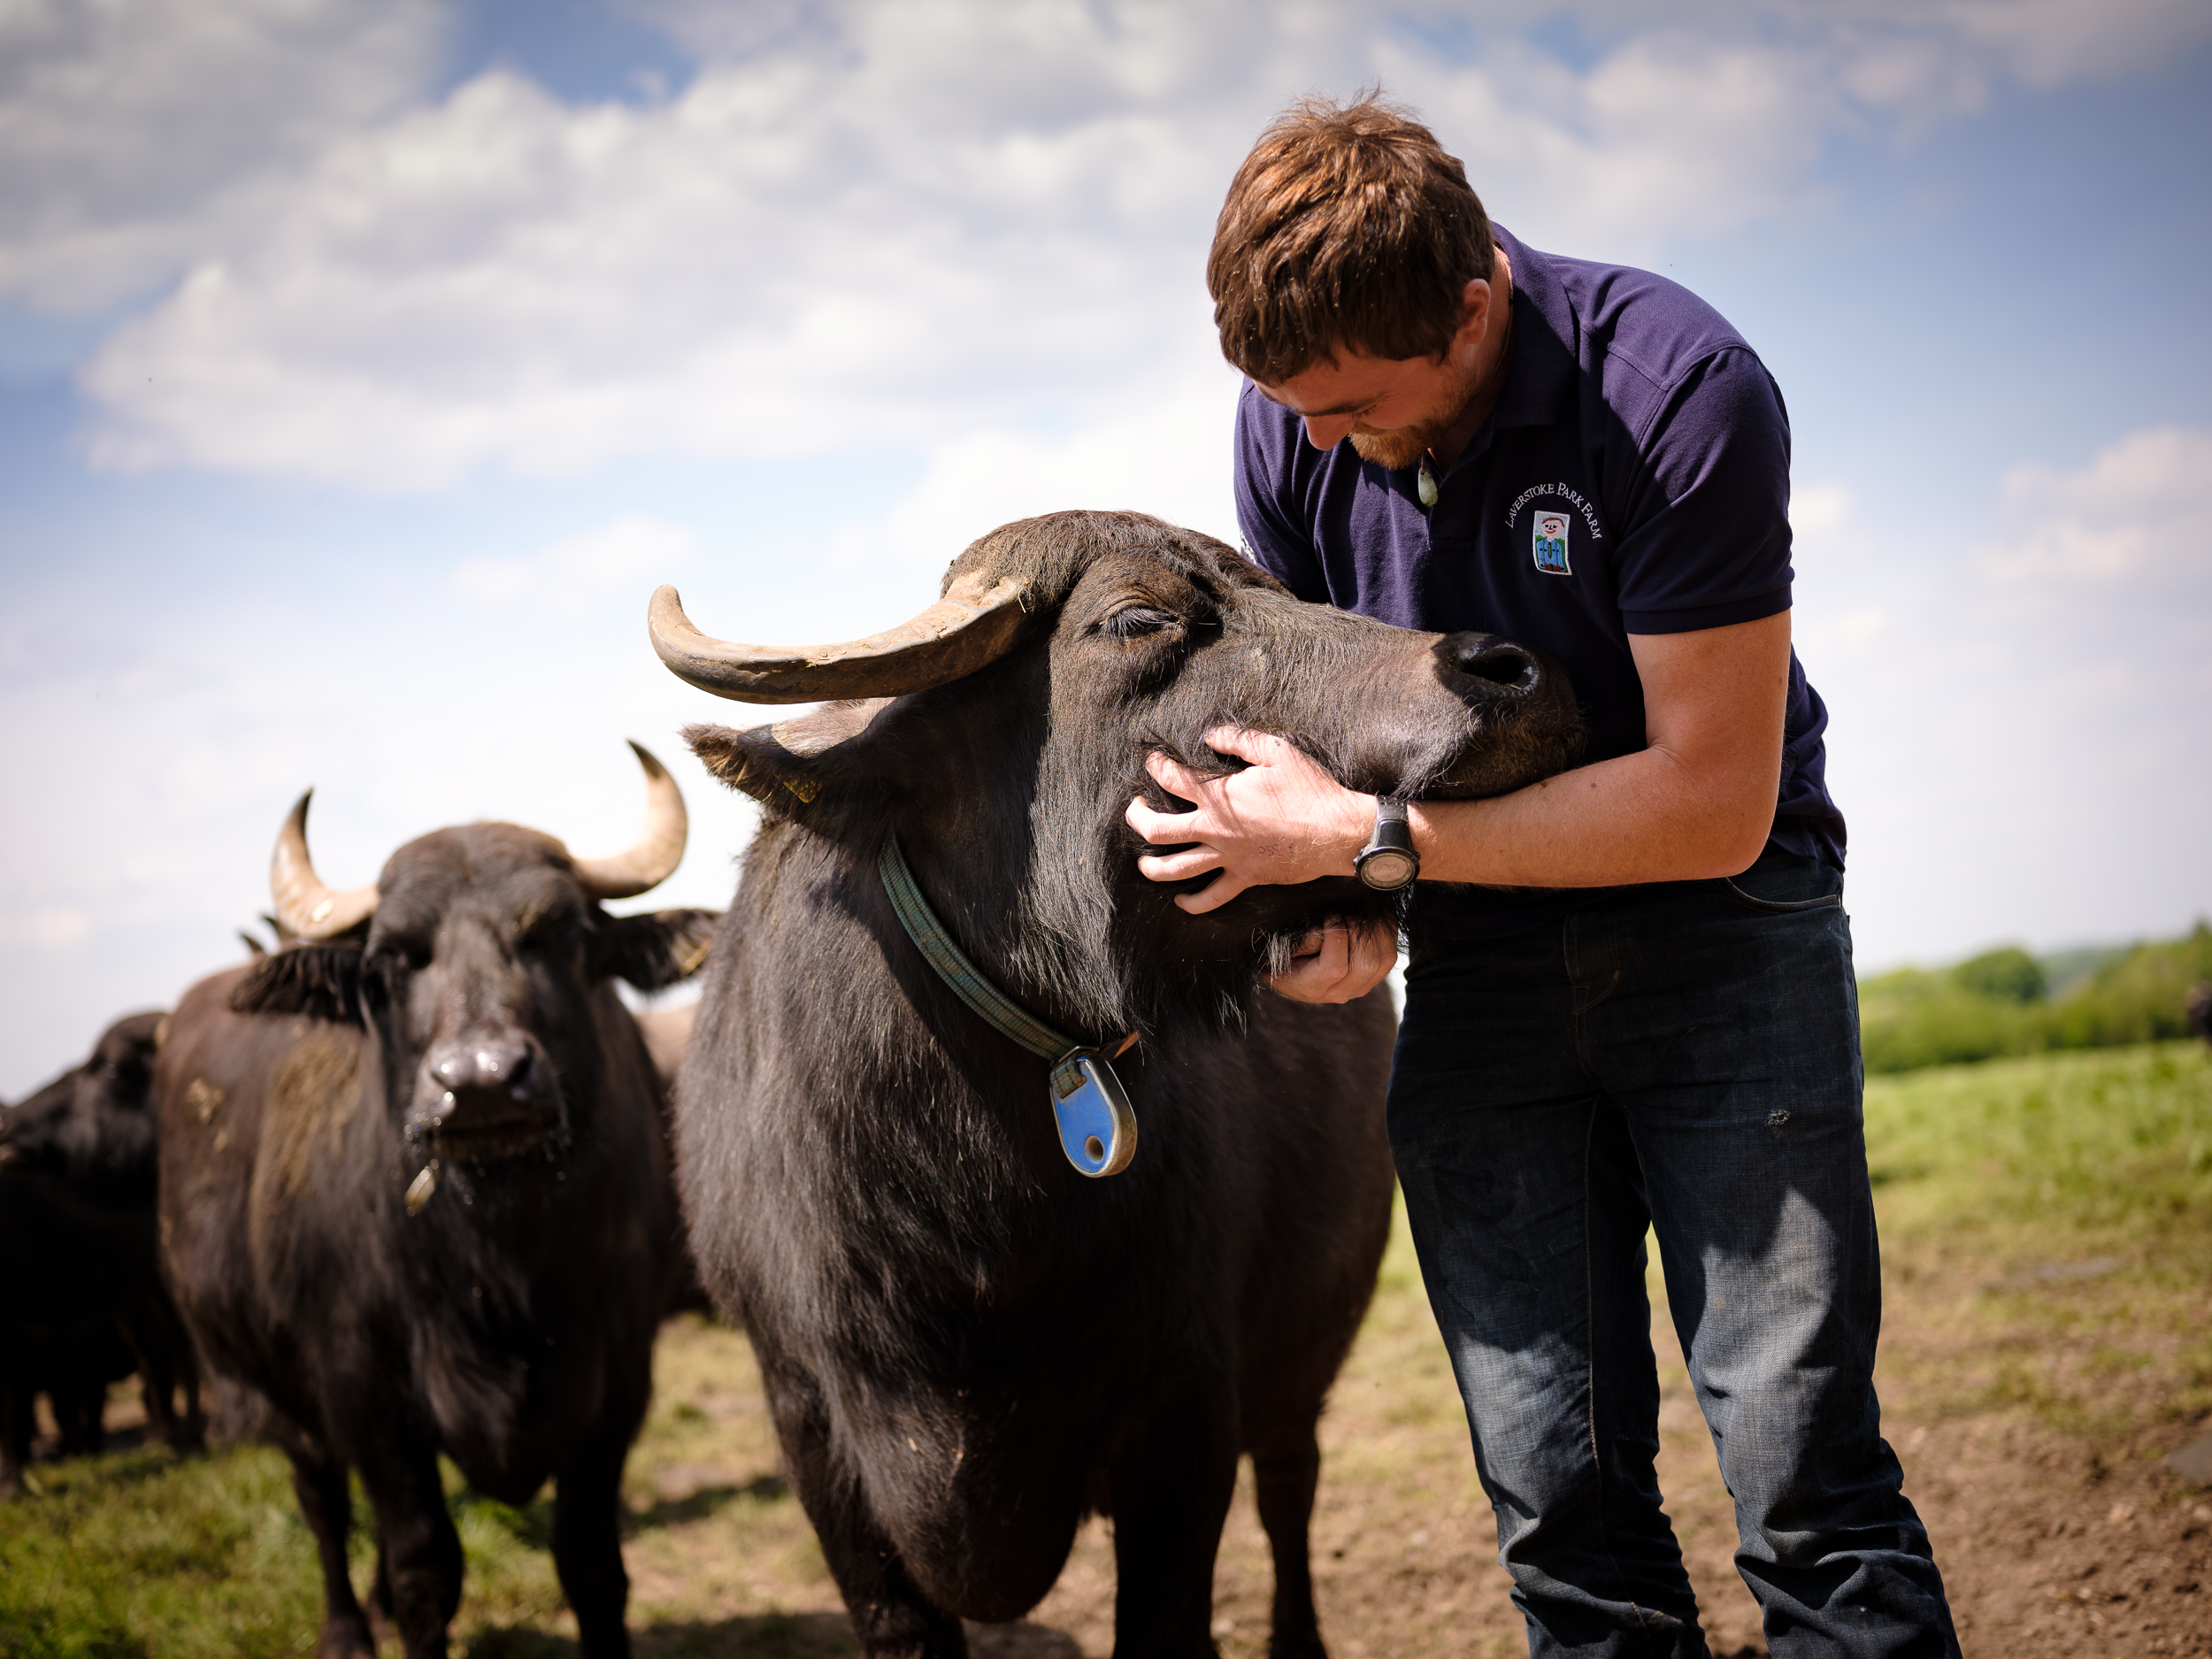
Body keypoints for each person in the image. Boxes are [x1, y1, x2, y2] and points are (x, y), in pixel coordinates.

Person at [1125, 95, 1961, 1659]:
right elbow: (1324, 723)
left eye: (1353, 406)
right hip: (1488, 969)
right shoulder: (1292, 419)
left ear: (1470, 305)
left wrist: (1370, 849)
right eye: (1287, 409)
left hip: (1729, 939)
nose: (1314, 444)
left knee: (1806, 1496)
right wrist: (1343, 913)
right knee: (1556, 1507)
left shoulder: (1679, 392)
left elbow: (1710, 805)